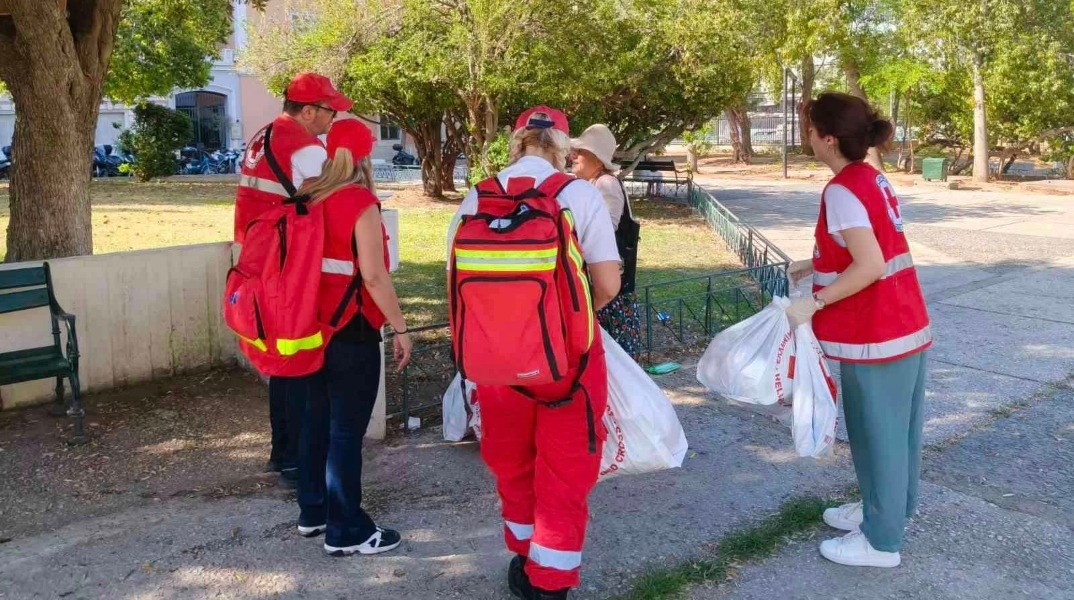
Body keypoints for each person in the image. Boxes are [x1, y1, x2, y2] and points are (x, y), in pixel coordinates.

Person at [447, 107, 621, 599]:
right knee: (565, 469)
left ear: (517, 141)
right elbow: (606, 283)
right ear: (564, 146)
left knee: (512, 461)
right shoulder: (578, 194)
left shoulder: (476, 196)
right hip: (567, 362)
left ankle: (524, 558)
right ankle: (551, 582)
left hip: (495, 363)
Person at [786, 92, 932, 568]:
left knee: (878, 435)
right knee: (896, 432)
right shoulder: (870, 178)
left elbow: (869, 264)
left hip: (876, 332)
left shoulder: (842, 190)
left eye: (810, 129)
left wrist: (815, 301)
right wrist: (816, 264)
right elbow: (873, 247)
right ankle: (886, 509)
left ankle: (882, 541)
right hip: (902, 323)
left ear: (828, 139)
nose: (807, 137)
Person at [291, 119, 413, 556]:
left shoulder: (306, 194)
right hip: (353, 329)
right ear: (364, 157)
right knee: (346, 432)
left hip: (310, 328)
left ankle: (314, 512)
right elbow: (375, 277)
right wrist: (400, 328)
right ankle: (348, 532)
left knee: (316, 420)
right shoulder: (359, 202)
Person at [232, 72, 353, 488]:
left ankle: (281, 452)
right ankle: (296, 461)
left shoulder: (264, 135)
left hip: (257, 258)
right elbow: (337, 198)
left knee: (279, 358)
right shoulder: (302, 147)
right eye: (328, 110)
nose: (332, 118)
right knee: (298, 359)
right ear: (306, 111)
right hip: (284, 265)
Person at [570, 124, 643, 361]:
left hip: (610, 288)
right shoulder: (589, 184)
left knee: (612, 358)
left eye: (581, 152)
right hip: (602, 281)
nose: (574, 156)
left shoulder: (606, 184)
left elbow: (604, 232)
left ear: (598, 161)